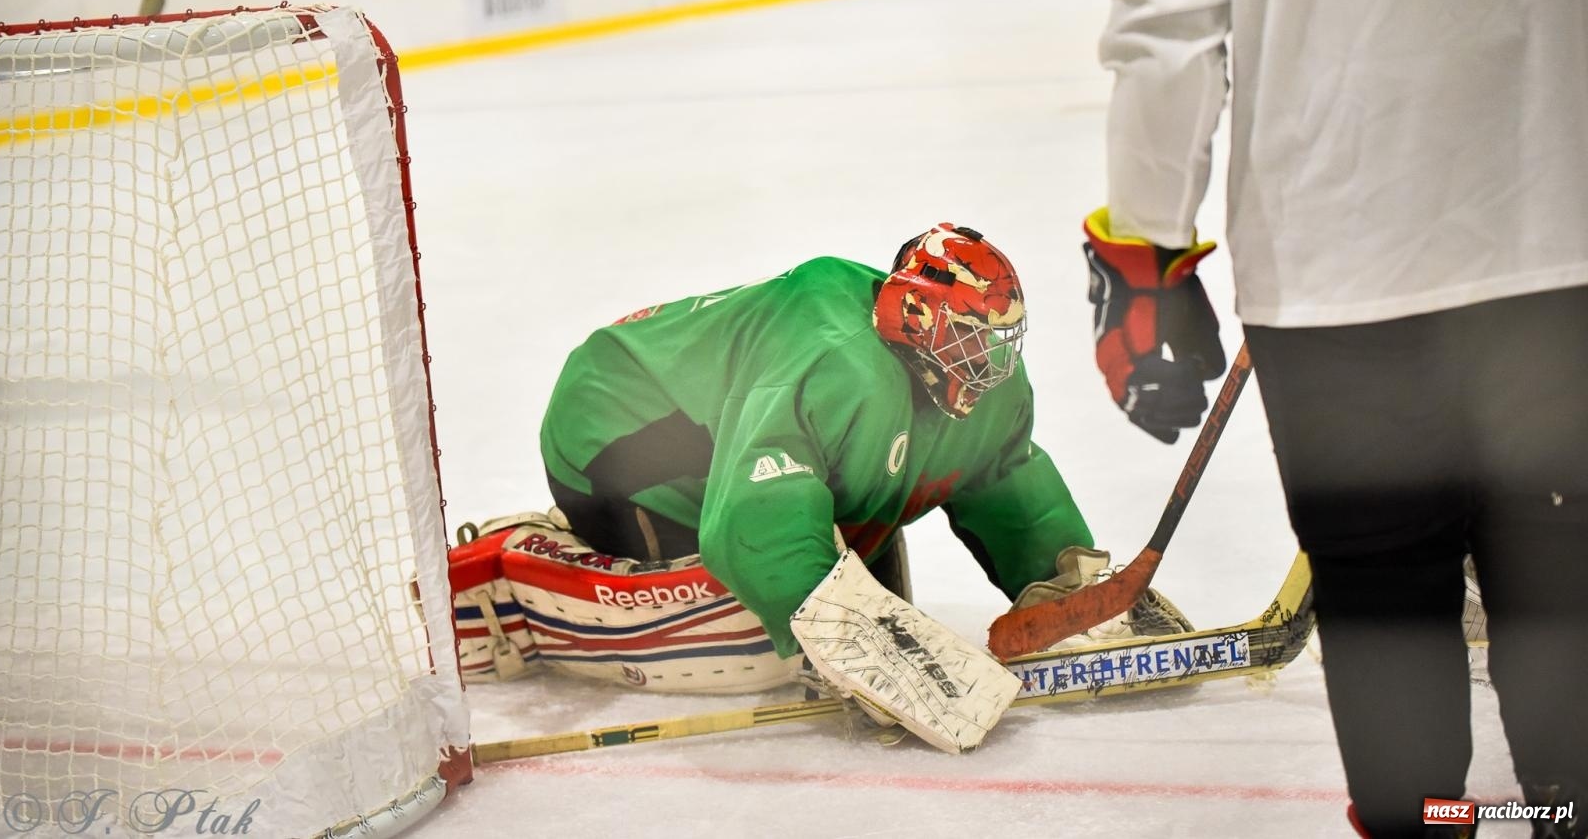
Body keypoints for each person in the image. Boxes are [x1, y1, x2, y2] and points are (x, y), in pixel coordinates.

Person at [1085, 0, 1588, 836]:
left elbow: (1167, 7)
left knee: (1384, 601)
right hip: (1558, 230)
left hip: (1336, 259)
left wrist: (1148, 253)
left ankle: (1423, 824)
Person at [448, 223, 1190, 751]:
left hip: (736, 439)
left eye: (999, 343)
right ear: (918, 319)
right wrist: (844, 633)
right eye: (972, 341)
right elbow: (755, 511)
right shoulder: (834, 357)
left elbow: (1003, 474)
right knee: (745, 646)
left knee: (853, 570)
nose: (990, 364)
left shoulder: (973, 380)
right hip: (617, 426)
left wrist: (1068, 584)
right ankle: (524, 574)